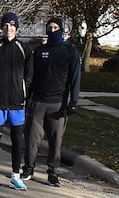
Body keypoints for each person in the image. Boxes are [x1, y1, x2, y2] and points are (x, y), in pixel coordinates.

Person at [23, 17, 80, 187]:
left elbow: (75, 78)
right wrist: (27, 98)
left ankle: (53, 173)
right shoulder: (40, 51)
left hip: (58, 104)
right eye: (49, 27)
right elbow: (32, 77)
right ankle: (28, 168)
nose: (52, 30)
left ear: (62, 30)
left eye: (55, 27)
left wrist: (73, 101)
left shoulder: (69, 51)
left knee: (56, 141)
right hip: (38, 101)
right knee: (32, 138)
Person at [0, 12, 33, 190]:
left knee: (17, 140)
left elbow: (29, 75)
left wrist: (23, 92)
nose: (8, 29)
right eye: (5, 26)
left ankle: (15, 175)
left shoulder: (24, 49)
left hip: (17, 103)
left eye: (12, 26)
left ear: (16, 28)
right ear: (1, 28)